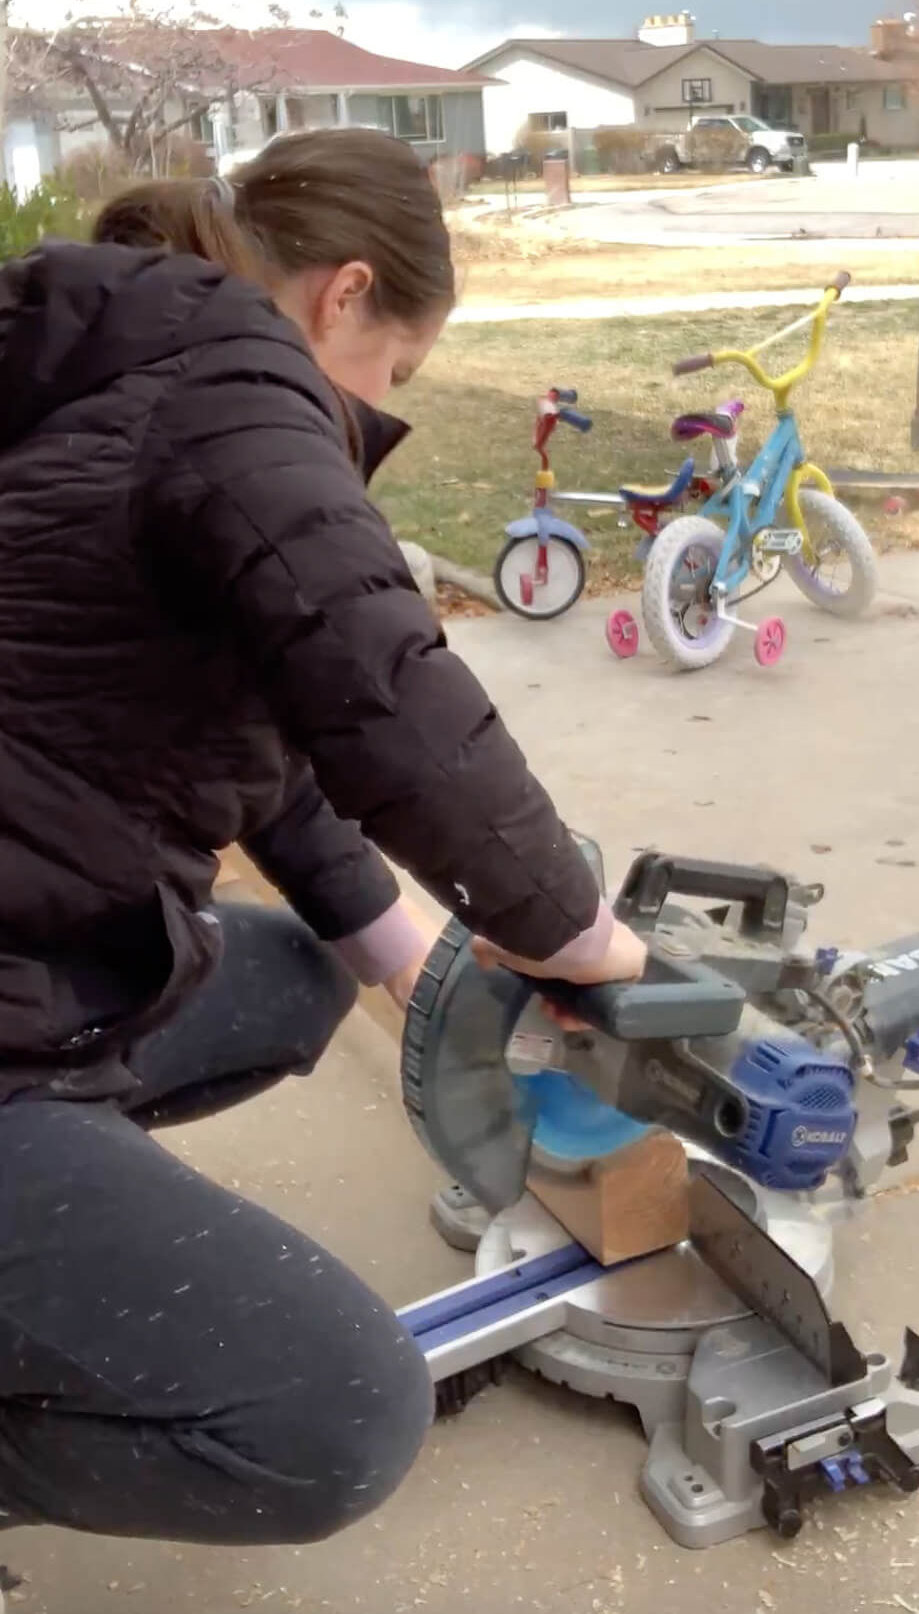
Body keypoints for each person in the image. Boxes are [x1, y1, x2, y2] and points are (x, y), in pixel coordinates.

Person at [0, 127, 646, 1549]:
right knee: (337, 1413)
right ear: (341, 295)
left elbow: (265, 739)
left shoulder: (108, 369)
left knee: (297, 977)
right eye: (395, 375)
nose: (380, 410)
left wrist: (401, 945)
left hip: (33, 962)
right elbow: (381, 684)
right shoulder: (234, 381)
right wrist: (582, 937)